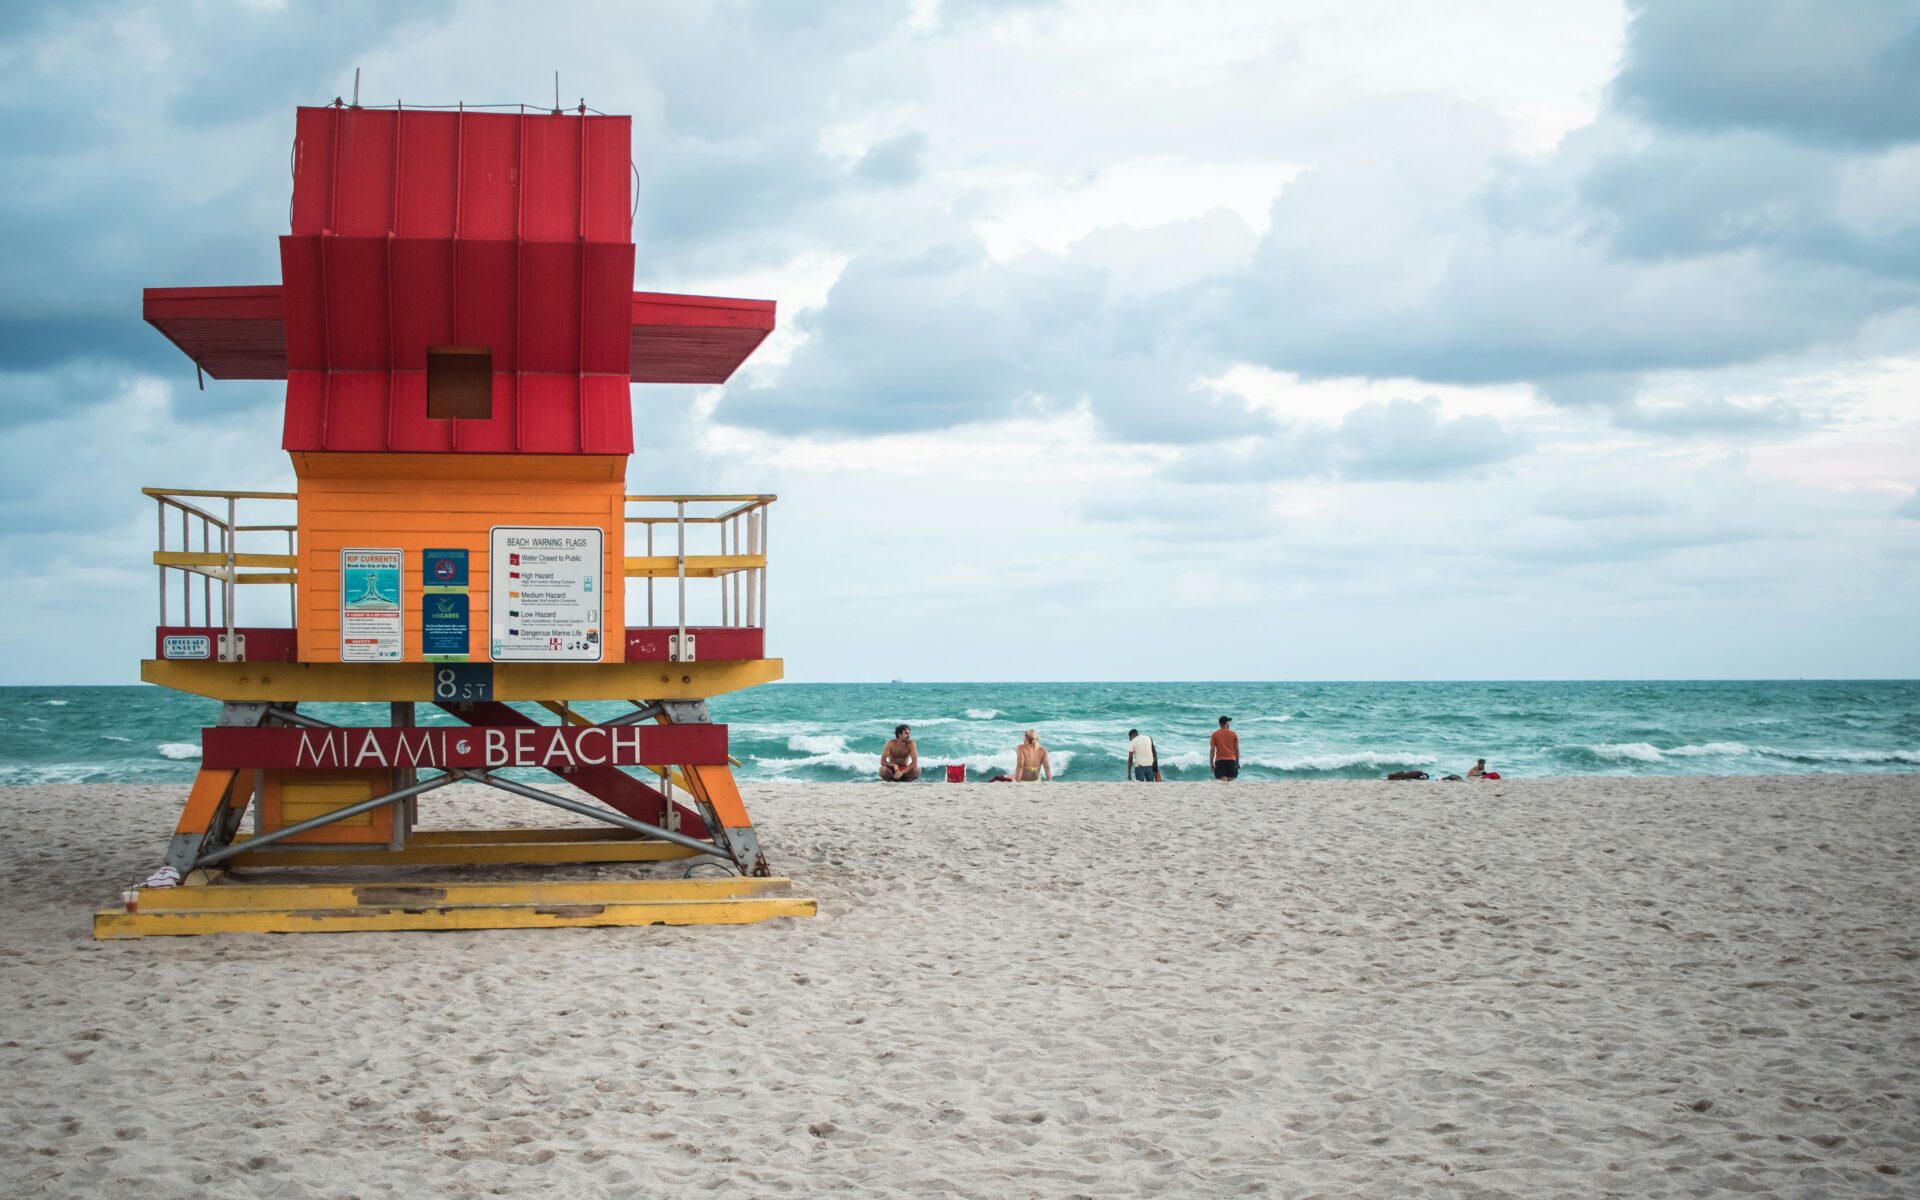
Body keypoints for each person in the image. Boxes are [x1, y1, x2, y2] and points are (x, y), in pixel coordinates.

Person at [1210, 716, 1240, 780]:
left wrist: (1211, 763)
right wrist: (1237, 762)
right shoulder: (1233, 734)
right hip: (1232, 761)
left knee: (1222, 783)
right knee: (1230, 784)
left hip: (1220, 761)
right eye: (1228, 722)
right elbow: (1237, 750)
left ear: (1219, 724)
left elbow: (1212, 750)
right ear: (1226, 723)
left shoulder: (1214, 734)